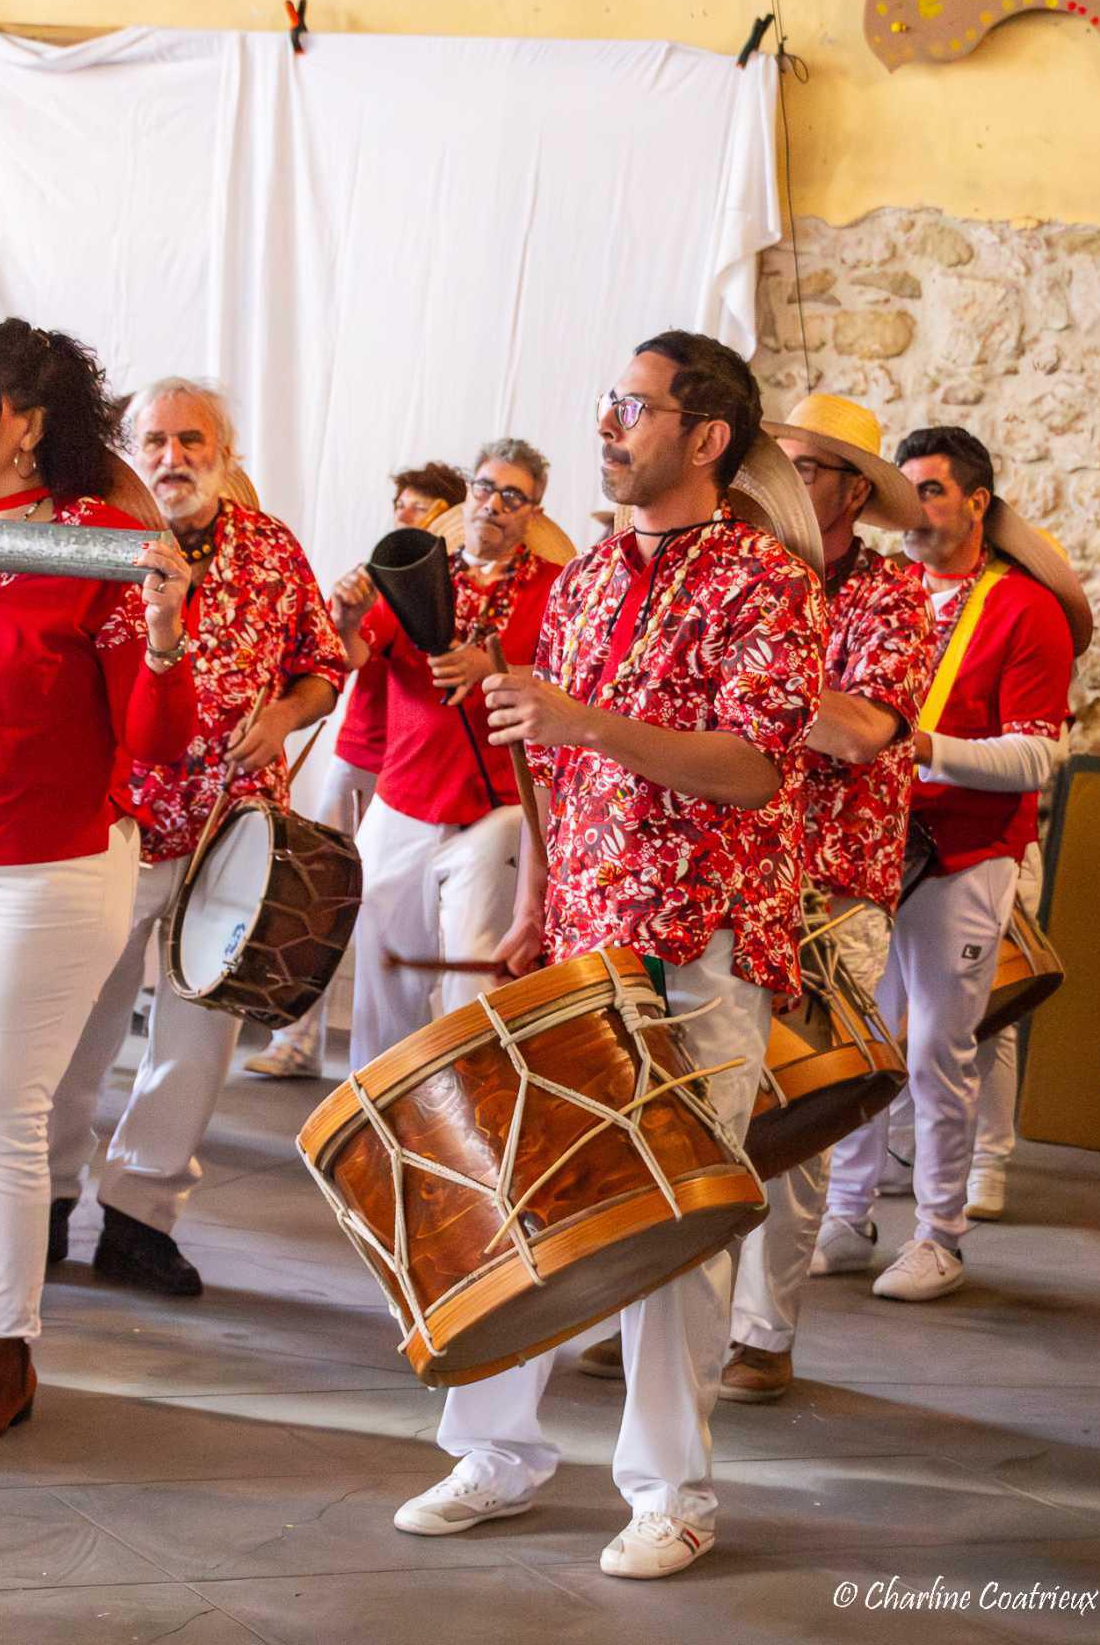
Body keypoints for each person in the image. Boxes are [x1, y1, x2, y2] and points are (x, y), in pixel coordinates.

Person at [390, 332, 826, 1579]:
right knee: (532, 1194)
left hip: (699, 943)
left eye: (633, 408)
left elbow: (756, 770)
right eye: (606, 403)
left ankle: (672, 1493)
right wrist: (537, 894)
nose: (606, 425)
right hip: (581, 935)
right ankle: (497, 1453)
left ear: (707, 437)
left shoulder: (768, 581)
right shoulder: (584, 579)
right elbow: (552, 763)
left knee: (676, 1226)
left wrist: (586, 720)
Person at [3, 377, 345, 1299]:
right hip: (117, 816)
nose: (172, 457)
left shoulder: (273, 549)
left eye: (192, 440)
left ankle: (140, 1218)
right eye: (154, 440)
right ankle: (40, 1206)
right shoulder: (99, 540)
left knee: (199, 1038)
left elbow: (322, 665)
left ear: (224, 452)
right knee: (80, 1020)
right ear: (131, 451)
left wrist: (284, 715)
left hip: (236, 827)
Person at [0, 319, 195, 1441]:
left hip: (43, 870)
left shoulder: (103, 546)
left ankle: (7, 1349)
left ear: (31, 426)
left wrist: (169, 630)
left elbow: (158, 741)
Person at [812, 426, 1089, 1301]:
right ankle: (848, 1216)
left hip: (967, 849)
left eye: (932, 490)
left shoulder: (1025, 608)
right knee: (861, 1040)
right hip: (870, 844)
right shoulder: (879, 595)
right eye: (907, 490)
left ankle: (940, 1236)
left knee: (937, 1044)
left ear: (977, 502)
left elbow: (1037, 757)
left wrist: (917, 745)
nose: (915, 508)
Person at [718, 395, 934, 1400]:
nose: (782, 482)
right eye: (779, 462)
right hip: (723, 874)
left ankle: (763, 1332)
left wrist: (744, 680)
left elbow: (859, 731)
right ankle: (662, 1307)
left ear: (854, 491)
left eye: (804, 466)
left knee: (798, 1111)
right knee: (696, 1105)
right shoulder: (736, 572)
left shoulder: (893, 597)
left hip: (832, 887)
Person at [332, 440, 561, 1071]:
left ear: (534, 512)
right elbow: (354, 656)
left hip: (499, 811)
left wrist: (494, 667)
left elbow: (576, 681)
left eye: (512, 495)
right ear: (468, 498)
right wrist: (346, 620)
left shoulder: (558, 589)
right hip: (403, 802)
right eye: (484, 488)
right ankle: (374, 1116)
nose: (493, 504)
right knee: (384, 977)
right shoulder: (417, 569)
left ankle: (473, 1113)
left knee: (474, 979)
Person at [244, 459, 467, 1078]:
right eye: (401, 504)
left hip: (412, 776)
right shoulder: (376, 580)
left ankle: (397, 1057)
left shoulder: (457, 585)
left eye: (419, 507)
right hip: (361, 758)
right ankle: (297, 1037)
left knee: (387, 910)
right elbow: (341, 655)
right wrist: (343, 618)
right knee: (313, 893)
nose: (403, 514)